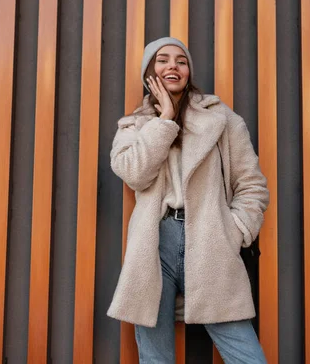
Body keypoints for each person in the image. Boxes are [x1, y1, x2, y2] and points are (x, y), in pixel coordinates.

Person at [107, 36, 269, 363]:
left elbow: (252, 185)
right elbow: (134, 173)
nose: (173, 66)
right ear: (149, 72)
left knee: (245, 353)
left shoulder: (222, 119)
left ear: (188, 71)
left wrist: (235, 230)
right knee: (155, 356)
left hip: (211, 238)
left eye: (180, 61)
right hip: (155, 243)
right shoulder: (134, 126)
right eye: (163, 59)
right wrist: (164, 119)